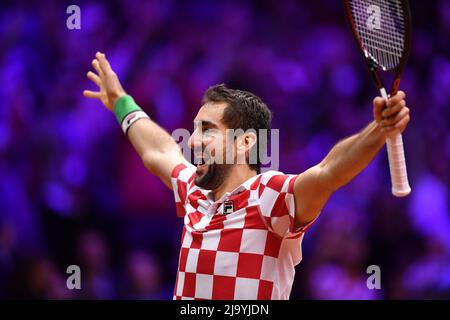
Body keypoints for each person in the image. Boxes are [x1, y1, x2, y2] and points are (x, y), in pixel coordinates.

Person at [83, 52, 410, 300]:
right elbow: (159, 152)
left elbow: (329, 172)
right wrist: (121, 102)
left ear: (245, 142)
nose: (193, 141)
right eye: (195, 130)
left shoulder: (270, 195)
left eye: (207, 131)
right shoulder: (195, 192)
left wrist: (377, 130)